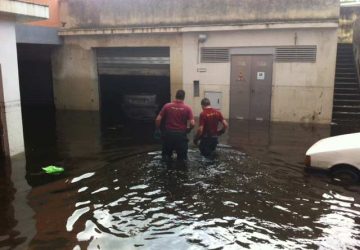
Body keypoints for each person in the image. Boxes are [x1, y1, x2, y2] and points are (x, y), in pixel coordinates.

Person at [155, 90, 195, 160]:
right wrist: (189, 129)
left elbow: (158, 119)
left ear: (175, 96)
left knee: (166, 158)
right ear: (183, 97)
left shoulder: (167, 106)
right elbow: (192, 123)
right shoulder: (187, 108)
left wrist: (158, 129)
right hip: (181, 136)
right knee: (182, 159)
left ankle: (167, 169)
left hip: (168, 135)